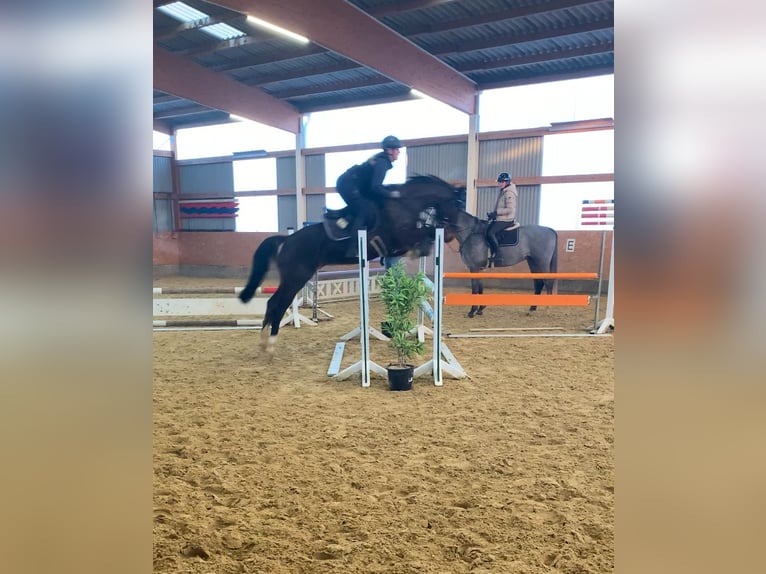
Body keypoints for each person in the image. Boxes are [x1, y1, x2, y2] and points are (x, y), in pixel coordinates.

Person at [336, 135, 402, 257]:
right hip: (348, 184)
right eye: (397, 149)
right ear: (389, 150)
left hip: (351, 184)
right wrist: (391, 194)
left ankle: (344, 219)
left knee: (369, 203)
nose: (398, 152)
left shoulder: (381, 160)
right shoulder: (382, 163)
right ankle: (352, 248)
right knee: (364, 210)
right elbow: (376, 187)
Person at [486, 171, 520, 263]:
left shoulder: (509, 193)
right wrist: (493, 215)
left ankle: (498, 255)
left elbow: (510, 209)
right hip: (501, 218)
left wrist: (496, 213)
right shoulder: (503, 191)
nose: (500, 184)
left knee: (491, 233)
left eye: (502, 182)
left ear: (507, 182)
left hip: (507, 219)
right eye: (499, 182)